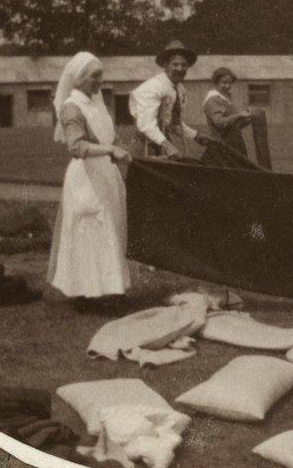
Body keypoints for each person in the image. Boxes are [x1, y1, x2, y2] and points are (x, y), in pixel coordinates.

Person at [46, 51, 133, 315]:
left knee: (110, 230)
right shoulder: (72, 107)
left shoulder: (97, 103)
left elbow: (110, 135)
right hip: (86, 178)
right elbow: (76, 146)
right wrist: (109, 150)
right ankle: (86, 292)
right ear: (80, 77)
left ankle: (109, 289)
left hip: (105, 174)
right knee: (92, 232)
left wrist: (122, 150)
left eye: (101, 76)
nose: (100, 81)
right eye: (95, 76)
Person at [129, 39, 209, 159]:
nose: (180, 69)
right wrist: (167, 145)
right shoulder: (154, 87)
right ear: (166, 65)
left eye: (184, 65)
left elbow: (172, 123)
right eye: (175, 64)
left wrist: (196, 135)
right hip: (146, 145)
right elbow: (146, 124)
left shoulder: (179, 89)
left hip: (162, 143)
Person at [203, 66, 253, 156]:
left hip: (234, 145)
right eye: (224, 82)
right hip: (222, 146)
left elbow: (235, 126)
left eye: (230, 83)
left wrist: (249, 118)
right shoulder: (213, 99)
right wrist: (239, 115)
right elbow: (219, 122)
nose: (227, 86)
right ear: (216, 82)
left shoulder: (225, 98)